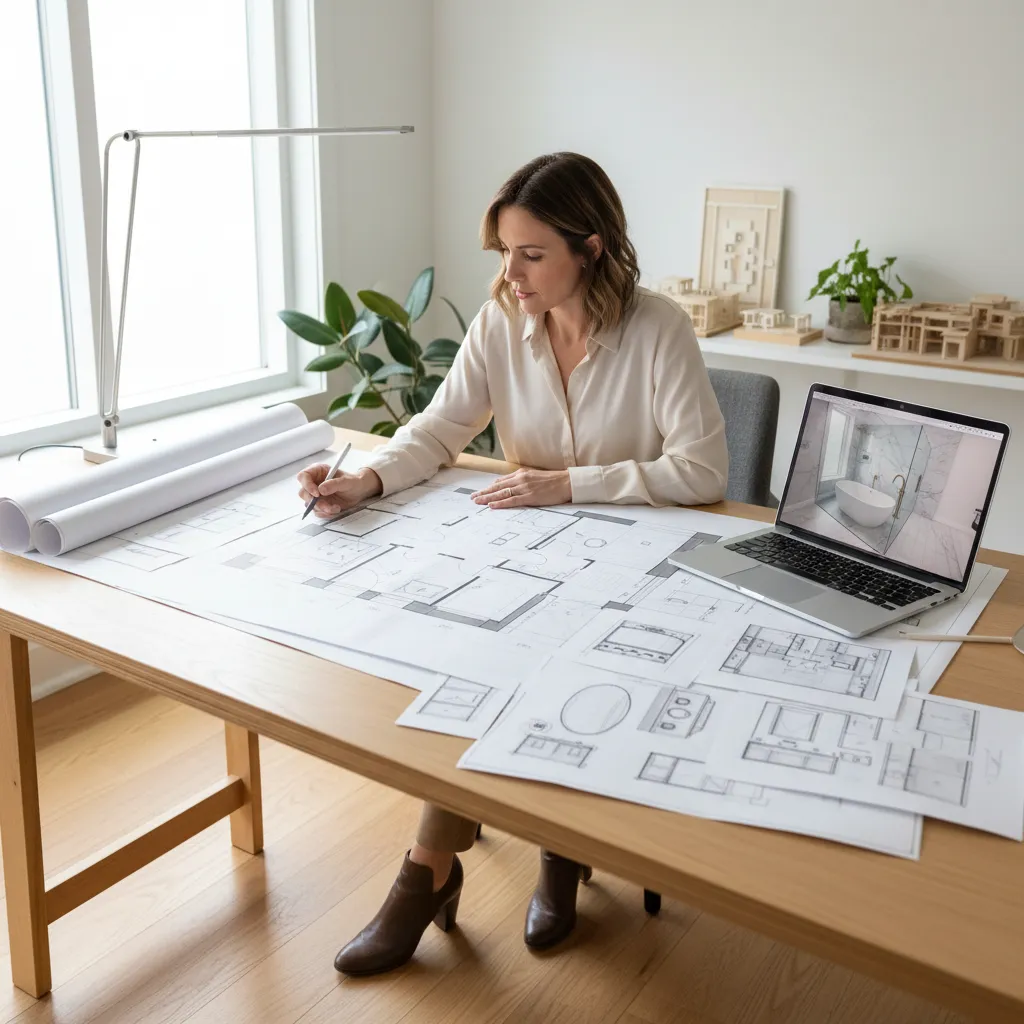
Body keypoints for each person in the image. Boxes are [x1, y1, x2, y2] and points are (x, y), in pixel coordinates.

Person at [297, 152, 729, 976]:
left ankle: (553, 851)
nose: (511, 274)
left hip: (634, 565)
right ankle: (432, 866)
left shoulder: (658, 329)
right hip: (530, 553)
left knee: (541, 662)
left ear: (591, 248)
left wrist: (572, 484)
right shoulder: (502, 319)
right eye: (503, 251)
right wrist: (365, 478)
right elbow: (439, 429)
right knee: (469, 660)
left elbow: (702, 472)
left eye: (531, 254)